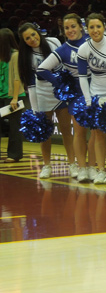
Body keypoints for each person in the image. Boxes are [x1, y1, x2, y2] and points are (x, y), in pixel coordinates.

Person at [37, 13, 95, 182]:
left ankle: (93, 167)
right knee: (79, 132)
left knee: (96, 133)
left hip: (96, 89)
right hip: (77, 94)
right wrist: (61, 84)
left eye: (73, 26)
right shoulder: (63, 50)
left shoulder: (92, 41)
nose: (70, 30)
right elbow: (42, 70)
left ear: (81, 27)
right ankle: (82, 168)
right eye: (66, 28)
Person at [17, 22, 76, 179]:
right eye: (27, 38)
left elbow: (64, 65)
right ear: (24, 41)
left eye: (33, 34)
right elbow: (30, 83)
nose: (32, 39)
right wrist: (35, 109)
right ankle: (46, 165)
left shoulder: (53, 42)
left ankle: (73, 164)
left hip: (58, 90)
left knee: (65, 130)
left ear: (38, 32)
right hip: (41, 92)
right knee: (45, 132)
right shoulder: (26, 56)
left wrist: (68, 88)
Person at [77, 13, 106, 184]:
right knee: (98, 134)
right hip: (95, 94)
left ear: (104, 27)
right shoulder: (84, 49)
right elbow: (82, 77)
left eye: (98, 26)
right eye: (91, 27)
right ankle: (100, 169)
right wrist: (88, 100)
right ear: (86, 29)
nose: (95, 30)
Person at [0, 28, 25, 162]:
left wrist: (15, 98)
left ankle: (14, 154)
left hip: (13, 96)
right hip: (1, 95)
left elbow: (17, 78)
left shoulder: (15, 55)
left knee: (15, 127)